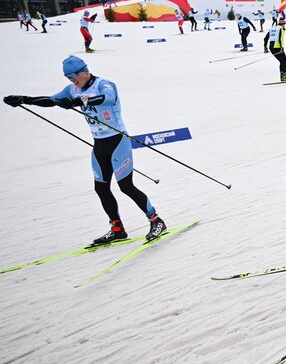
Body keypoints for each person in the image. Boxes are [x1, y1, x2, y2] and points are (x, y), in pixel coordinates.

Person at [3, 56, 167, 244]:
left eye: (73, 76)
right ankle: (117, 229)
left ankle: (156, 221)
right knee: (101, 188)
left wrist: (77, 102)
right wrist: (24, 99)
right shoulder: (72, 89)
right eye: (68, 78)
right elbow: (52, 100)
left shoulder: (104, 85)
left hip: (118, 142)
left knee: (126, 187)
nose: (72, 81)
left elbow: (107, 98)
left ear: (85, 71)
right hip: (99, 145)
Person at [264, 17, 286, 82]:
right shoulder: (281, 28)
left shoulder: (273, 28)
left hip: (271, 47)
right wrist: (282, 48)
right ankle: (284, 76)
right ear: (283, 24)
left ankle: (283, 76)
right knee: (284, 62)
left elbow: (265, 38)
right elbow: (280, 38)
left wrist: (265, 47)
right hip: (278, 47)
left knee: (282, 62)